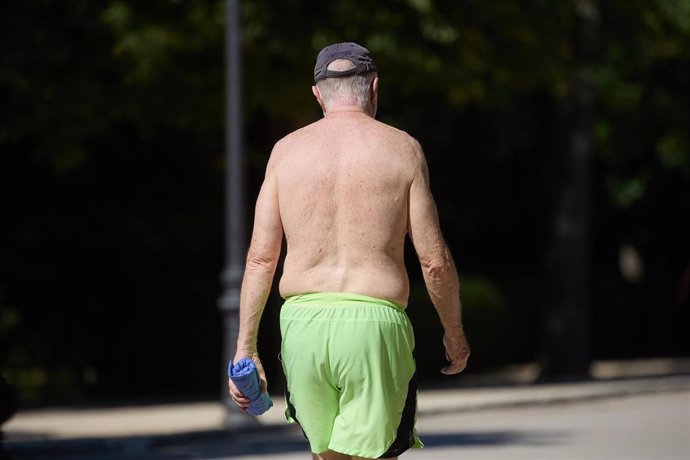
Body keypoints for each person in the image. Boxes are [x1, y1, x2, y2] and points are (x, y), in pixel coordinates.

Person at [228, 42, 470, 460]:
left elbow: (260, 260)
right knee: (377, 455)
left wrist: (245, 349)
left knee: (330, 457)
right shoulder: (402, 149)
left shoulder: (284, 152)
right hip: (374, 324)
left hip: (302, 324)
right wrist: (455, 332)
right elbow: (434, 261)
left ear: (318, 95)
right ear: (374, 89)